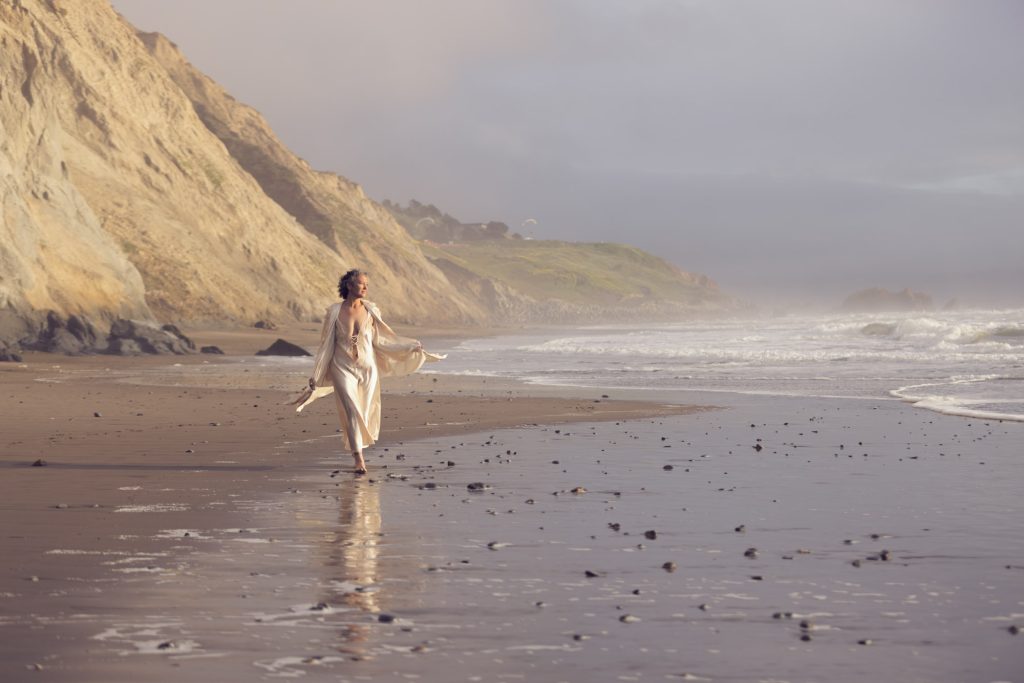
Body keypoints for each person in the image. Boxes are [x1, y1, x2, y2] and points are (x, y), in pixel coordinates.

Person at [294, 269, 444, 473]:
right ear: (349, 285)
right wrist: (317, 374)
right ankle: (359, 459)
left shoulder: (371, 310)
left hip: (367, 368)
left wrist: (408, 347)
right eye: (361, 283)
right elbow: (326, 344)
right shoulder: (334, 311)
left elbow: (379, 341)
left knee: (364, 411)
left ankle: (358, 448)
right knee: (352, 411)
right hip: (342, 366)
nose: (365, 287)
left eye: (366, 284)